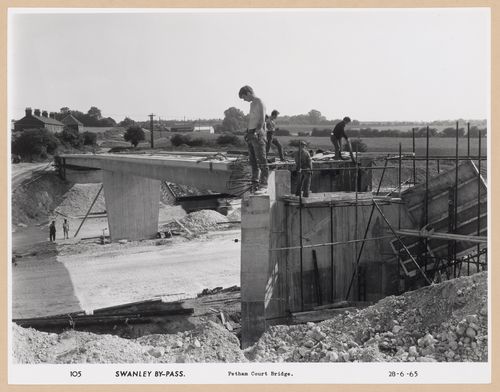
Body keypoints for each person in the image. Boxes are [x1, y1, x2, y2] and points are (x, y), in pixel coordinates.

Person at [239, 85, 268, 194]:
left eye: (244, 97)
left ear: (248, 93)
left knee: (261, 159)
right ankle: (255, 182)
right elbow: (252, 119)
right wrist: (248, 131)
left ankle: (264, 184)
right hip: (251, 133)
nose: (244, 100)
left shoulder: (259, 101)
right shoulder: (252, 104)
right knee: (253, 160)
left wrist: (256, 132)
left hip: (258, 133)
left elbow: (261, 119)